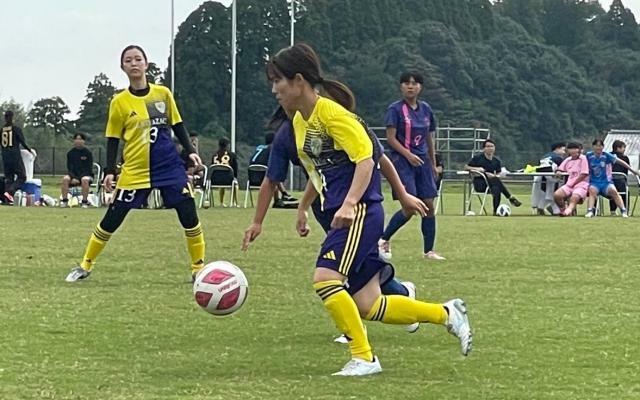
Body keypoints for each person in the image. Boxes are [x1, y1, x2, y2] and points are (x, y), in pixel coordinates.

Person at [265, 43, 471, 376]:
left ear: (299, 81)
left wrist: (350, 203)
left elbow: (367, 159)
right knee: (369, 304)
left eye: (278, 81)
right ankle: (447, 314)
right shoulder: (301, 123)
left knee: (325, 279)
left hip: (360, 210)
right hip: (343, 213)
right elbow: (318, 173)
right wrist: (303, 207)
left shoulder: (333, 115)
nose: (274, 89)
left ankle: (364, 357)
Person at [242, 106, 430, 338]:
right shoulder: (286, 136)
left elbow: (377, 159)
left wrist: (402, 196)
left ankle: (360, 334)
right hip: (330, 208)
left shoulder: (334, 121)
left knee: (336, 272)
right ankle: (404, 295)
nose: (276, 91)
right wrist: (296, 210)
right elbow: (309, 175)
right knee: (358, 267)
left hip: (359, 208)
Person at [65, 45, 205, 282]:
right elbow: (112, 139)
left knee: (188, 214)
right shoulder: (119, 102)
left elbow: (178, 125)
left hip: (169, 168)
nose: (134, 63)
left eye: (138, 59)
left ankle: (198, 268)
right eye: (128, 60)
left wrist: (190, 152)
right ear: (123, 67)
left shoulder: (162, 94)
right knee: (113, 218)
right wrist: (110, 171)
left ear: (146, 64)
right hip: (136, 171)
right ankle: (85, 265)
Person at [377, 72, 445, 262]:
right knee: (410, 206)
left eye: (415, 83)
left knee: (428, 206)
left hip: (422, 162)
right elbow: (390, 138)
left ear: (420, 87)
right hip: (402, 161)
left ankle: (429, 251)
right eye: (406, 83)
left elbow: (429, 137)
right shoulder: (395, 110)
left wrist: (433, 163)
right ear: (401, 86)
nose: (410, 86)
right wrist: (408, 155)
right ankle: (383, 239)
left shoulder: (425, 109)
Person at [584, 138, 639, 218]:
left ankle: (623, 211)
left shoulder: (606, 155)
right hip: (594, 182)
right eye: (596, 146)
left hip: (606, 182)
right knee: (592, 191)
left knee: (614, 191)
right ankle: (590, 211)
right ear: (593, 146)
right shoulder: (588, 155)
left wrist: (632, 170)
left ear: (603, 147)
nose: (598, 148)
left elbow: (620, 162)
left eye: (600, 146)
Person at [465, 139, 521, 215]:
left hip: (492, 184)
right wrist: (477, 169)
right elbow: (466, 167)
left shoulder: (496, 161)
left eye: (492, 146)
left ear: (494, 148)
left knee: (496, 189)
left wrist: (499, 175)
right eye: (488, 146)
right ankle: (510, 197)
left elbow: (498, 173)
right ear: (484, 148)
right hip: (480, 183)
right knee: (495, 181)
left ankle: (496, 211)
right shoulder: (477, 158)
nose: (490, 148)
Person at [248, 131, 297, 208]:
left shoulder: (259, 147)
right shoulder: (272, 148)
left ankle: (284, 194)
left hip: (252, 176)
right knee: (274, 172)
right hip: (264, 179)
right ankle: (280, 197)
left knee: (271, 172)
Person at [1, 110, 35, 204]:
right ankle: (10, 191)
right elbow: (22, 142)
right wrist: (30, 150)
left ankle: (7, 199)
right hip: (14, 155)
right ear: (12, 117)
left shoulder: (2, 130)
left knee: (9, 177)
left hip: (5, 155)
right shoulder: (15, 129)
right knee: (22, 176)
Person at [552, 142, 589, 216]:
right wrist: (558, 171)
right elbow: (560, 168)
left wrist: (574, 182)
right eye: (571, 149)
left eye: (575, 149)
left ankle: (567, 211)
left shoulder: (583, 158)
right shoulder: (568, 160)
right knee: (557, 195)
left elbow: (584, 174)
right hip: (569, 185)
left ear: (579, 150)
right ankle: (563, 210)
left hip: (581, 184)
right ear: (568, 150)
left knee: (574, 197)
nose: (573, 151)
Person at [530, 142, 566, 215]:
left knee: (543, 192)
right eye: (563, 150)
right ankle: (554, 208)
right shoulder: (558, 158)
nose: (564, 152)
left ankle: (541, 207)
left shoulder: (544, 156)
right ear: (557, 148)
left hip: (540, 178)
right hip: (552, 178)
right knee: (556, 191)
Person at [60, 133, 94, 208]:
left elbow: (88, 169)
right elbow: (70, 168)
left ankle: (84, 202)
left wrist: (79, 179)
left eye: (80, 139)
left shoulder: (88, 153)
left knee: (84, 179)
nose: (78, 141)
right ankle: (64, 201)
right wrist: (73, 177)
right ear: (74, 141)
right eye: (76, 139)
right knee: (65, 179)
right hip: (73, 176)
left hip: (86, 175)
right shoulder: (70, 153)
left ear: (84, 141)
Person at [211, 137, 239, 207]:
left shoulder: (214, 155)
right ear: (227, 145)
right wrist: (235, 177)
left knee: (222, 184)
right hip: (228, 179)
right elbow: (235, 167)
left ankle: (221, 202)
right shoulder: (232, 155)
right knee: (235, 184)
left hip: (215, 180)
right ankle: (234, 202)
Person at [609, 140, 630, 215]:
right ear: (618, 148)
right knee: (625, 193)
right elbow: (625, 172)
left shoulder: (607, 156)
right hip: (620, 181)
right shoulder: (625, 158)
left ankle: (612, 210)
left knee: (612, 192)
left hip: (608, 181)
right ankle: (625, 210)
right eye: (623, 147)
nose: (624, 150)